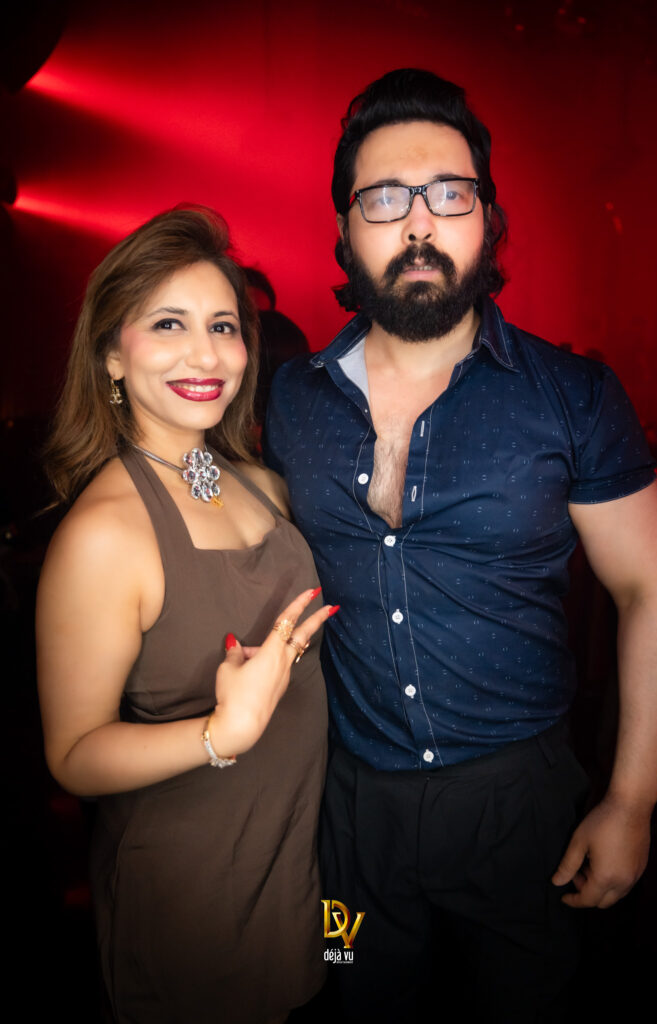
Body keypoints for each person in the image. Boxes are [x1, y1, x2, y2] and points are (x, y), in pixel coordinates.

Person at [263, 69, 657, 1022]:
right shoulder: (287, 400)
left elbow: (653, 591)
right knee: (348, 989)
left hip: (522, 810)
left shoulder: (572, 396)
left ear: (487, 219)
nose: (418, 223)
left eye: (448, 194)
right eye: (384, 198)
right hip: (345, 816)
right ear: (344, 229)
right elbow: (205, 494)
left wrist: (631, 802)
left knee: (529, 1003)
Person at [36, 206, 337, 1024]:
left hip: (301, 869)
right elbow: (72, 756)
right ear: (111, 354)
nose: (206, 354)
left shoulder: (256, 484)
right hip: (195, 897)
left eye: (222, 326)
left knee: (324, 992)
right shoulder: (104, 534)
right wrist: (218, 735)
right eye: (168, 324)